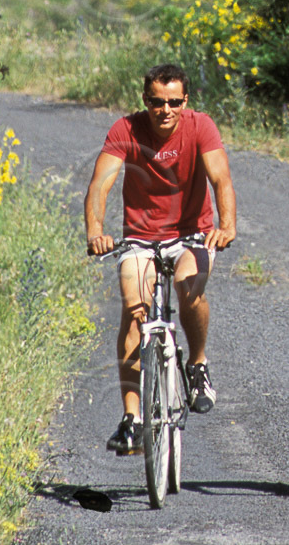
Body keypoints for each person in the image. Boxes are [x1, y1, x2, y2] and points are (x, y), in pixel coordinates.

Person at [85, 63, 237, 454]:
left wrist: (227, 224)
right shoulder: (126, 130)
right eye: (156, 101)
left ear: (185, 101)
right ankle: (132, 420)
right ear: (145, 100)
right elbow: (101, 183)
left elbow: (220, 177)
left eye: (173, 102)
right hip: (140, 237)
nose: (164, 110)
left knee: (190, 288)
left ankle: (198, 365)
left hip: (191, 234)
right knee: (133, 309)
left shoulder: (201, 126)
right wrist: (95, 232)